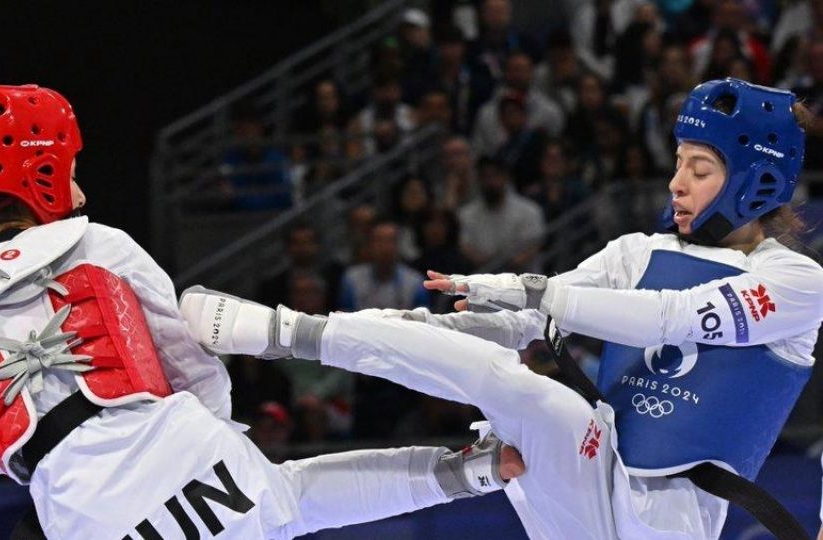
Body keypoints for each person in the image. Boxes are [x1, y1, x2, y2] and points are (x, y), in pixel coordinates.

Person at [181, 78, 823, 538]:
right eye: (678, 162)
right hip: (588, 466)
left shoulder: (796, 283)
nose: (676, 183)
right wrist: (415, 327)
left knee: (533, 389)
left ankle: (476, 467)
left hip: (670, 524)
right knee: (522, 390)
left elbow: (672, 317)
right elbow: (528, 323)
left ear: (754, 181)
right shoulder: (637, 252)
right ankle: (286, 331)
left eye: (701, 168)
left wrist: (531, 289)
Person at [0, 82, 525, 540]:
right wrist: (214, 450)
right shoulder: (101, 246)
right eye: (69, 171)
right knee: (287, 496)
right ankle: (471, 470)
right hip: (180, 451)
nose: (80, 191)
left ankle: (469, 471)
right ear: (37, 173)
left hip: (83, 514)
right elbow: (196, 371)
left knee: (288, 502)